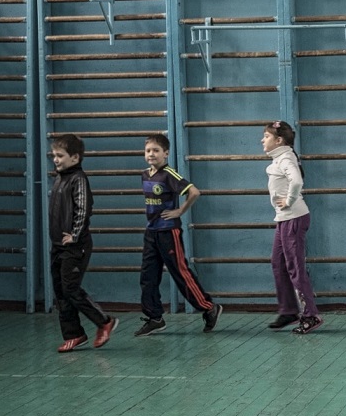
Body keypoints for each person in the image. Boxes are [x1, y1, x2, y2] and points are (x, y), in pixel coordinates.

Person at [135, 133, 222, 336]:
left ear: (166, 153)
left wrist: (180, 211)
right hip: (151, 232)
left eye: (156, 150)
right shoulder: (145, 175)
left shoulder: (169, 174)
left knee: (180, 272)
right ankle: (154, 317)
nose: (151, 154)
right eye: (148, 151)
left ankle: (209, 307)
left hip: (168, 232)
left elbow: (194, 192)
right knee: (148, 275)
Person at [48, 134, 118, 352]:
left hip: (75, 246)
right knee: (61, 291)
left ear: (75, 158)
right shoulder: (60, 178)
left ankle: (104, 321)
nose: (56, 160)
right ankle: (74, 334)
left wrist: (75, 235)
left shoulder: (78, 179)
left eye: (60, 156)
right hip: (58, 246)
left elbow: (83, 208)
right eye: (54, 155)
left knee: (70, 287)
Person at [263, 120, 323, 334]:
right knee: (278, 263)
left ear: (279, 140)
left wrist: (289, 201)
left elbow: (296, 181)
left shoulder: (286, 158)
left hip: (293, 218)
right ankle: (289, 310)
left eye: (266, 136)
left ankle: (311, 315)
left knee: (295, 268)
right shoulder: (280, 158)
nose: (262, 140)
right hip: (284, 219)